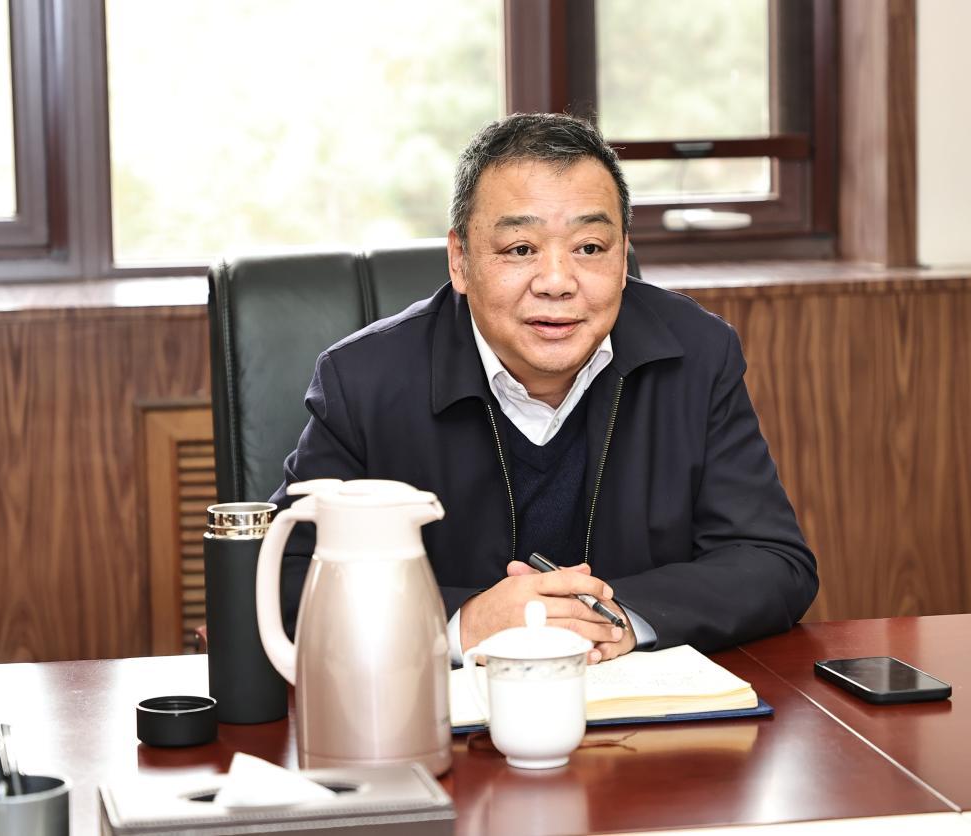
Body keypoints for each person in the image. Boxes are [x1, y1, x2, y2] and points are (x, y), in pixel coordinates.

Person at [270, 112, 817, 664]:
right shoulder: (364, 382)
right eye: (520, 249)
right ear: (460, 260)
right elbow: (286, 580)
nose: (557, 282)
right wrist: (464, 621)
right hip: (445, 707)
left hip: (636, 701)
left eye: (589, 248)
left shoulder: (697, 355)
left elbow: (772, 560)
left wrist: (614, 618)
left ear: (623, 257)